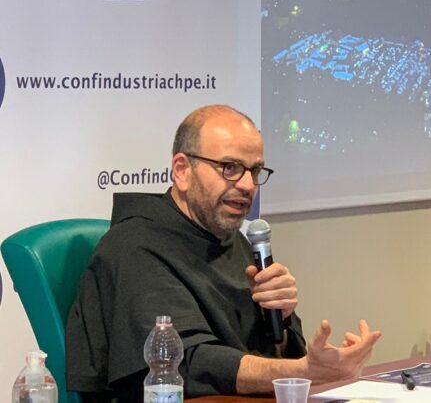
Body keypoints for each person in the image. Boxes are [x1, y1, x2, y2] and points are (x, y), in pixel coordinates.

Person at [66, 105, 381, 401]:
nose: (247, 185)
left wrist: (280, 321)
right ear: (182, 170)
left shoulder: (236, 242)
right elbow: (185, 363)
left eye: (254, 171)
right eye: (230, 168)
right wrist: (302, 372)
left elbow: (268, 355)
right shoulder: (135, 246)